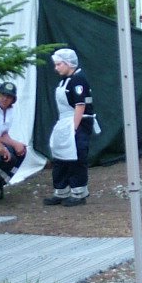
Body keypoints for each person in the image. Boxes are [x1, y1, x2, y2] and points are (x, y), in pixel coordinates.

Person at [43, 48, 96, 207]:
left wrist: (73, 128)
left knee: (76, 156)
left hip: (76, 122)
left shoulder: (78, 80)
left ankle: (78, 193)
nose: (56, 68)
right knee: (61, 156)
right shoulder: (65, 81)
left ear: (68, 63)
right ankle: (61, 191)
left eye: (59, 64)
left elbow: (80, 106)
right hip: (64, 122)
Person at [0, 81, 27, 191]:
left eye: (9, 97)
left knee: (21, 152)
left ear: (13, 100)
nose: (5, 99)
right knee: (2, 156)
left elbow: (4, 133)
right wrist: (11, 145)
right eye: (3, 95)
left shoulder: (10, 110)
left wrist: (16, 144)